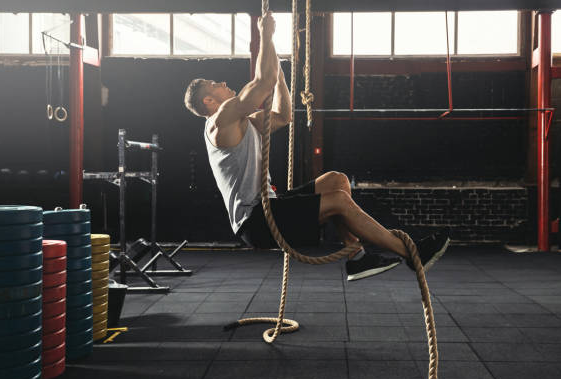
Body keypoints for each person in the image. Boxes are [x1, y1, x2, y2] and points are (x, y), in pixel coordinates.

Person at [184, 12, 449, 280]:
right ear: (208, 101)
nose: (223, 83)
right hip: (257, 221)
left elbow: (282, 115)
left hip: (270, 206)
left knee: (337, 180)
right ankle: (412, 253)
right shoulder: (220, 120)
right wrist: (265, 33)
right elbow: (261, 83)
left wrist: (281, 81)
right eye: (215, 84)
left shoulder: (242, 122)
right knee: (339, 201)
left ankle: (356, 256)